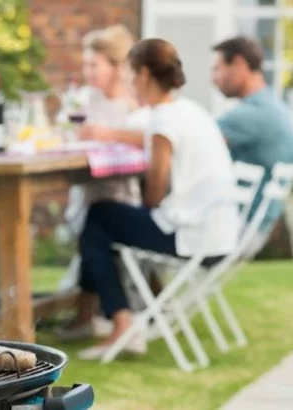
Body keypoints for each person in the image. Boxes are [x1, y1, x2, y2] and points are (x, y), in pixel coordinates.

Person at [76, 38, 240, 360]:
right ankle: (111, 318)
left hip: (191, 237)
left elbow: (154, 189)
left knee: (97, 218)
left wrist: (140, 212)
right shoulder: (190, 110)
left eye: (132, 74)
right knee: (107, 220)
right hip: (219, 235)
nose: (129, 81)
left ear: (146, 75)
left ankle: (122, 323)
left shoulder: (164, 122)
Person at [54, 25, 147, 342]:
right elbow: (63, 130)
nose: (88, 71)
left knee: (95, 232)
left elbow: (149, 140)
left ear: (117, 66)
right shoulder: (83, 99)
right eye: (86, 64)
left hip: (121, 194)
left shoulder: (134, 105)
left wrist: (105, 134)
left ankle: (99, 316)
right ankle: (88, 316)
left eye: (95, 64)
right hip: (87, 189)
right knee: (92, 228)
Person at [212, 36, 293, 233]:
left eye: (217, 68)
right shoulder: (273, 107)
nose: (213, 78)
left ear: (239, 64)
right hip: (254, 224)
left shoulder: (253, 113)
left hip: (233, 227)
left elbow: (194, 141)